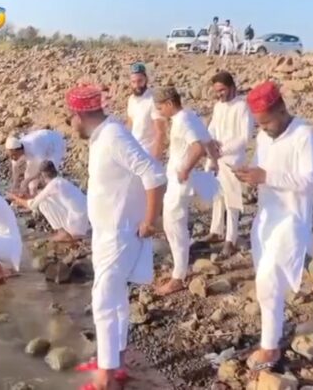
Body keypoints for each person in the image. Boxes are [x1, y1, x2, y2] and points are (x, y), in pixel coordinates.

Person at [65, 84, 166, 390]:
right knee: (117, 298)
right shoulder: (102, 136)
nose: (70, 124)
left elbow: (154, 173)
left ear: (79, 114)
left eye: (70, 117)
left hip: (119, 233)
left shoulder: (113, 136)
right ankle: (114, 362)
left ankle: (106, 377)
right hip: (107, 231)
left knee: (104, 300)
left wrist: (150, 220)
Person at [234, 81, 313, 374]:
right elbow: (260, 169)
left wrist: (266, 176)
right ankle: (269, 336)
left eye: (266, 122)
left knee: (269, 278)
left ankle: (270, 347)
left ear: (281, 110)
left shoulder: (305, 135)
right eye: (259, 124)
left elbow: (310, 181)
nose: (263, 129)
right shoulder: (264, 137)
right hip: (265, 219)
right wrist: (248, 175)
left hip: (291, 221)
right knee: (265, 283)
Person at [153, 86, 220, 296]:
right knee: (175, 225)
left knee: (173, 226)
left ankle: (178, 277)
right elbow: (209, 142)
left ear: (169, 104)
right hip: (180, 181)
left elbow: (197, 147)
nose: (159, 112)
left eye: (160, 107)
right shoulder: (190, 116)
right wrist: (214, 160)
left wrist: (185, 169)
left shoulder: (182, 121)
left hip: (179, 182)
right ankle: (178, 269)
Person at [201, 71, 254, 258]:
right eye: (217, 91)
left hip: (233, 159)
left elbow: (245, 137)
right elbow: (212, 129)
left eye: (222, 90)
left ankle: (231, 239)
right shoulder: (218, 106)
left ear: (232, 87)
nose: (219, 94)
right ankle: (216, 231)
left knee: (232, 200)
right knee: (217, 195)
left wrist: (222, 150)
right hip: (216, 157)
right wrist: (211, 147)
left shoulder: (242, 106)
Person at [7, 160, 89, 242]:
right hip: (83, 222)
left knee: (43, 204)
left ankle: (62, 233)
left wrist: (14, 197)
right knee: (45, 199)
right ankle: (67, 232)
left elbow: (32, 205)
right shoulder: (60, 181)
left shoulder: (53, 185)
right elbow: (39, 198)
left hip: (76, 224)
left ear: (42, 176)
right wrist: (25, 197)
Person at [5, 129, 66, 197]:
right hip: (40, 146)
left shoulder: (34, 148)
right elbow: (15, 168)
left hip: (53, 143)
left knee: (49, 173)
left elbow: (42, 168)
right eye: (10, 156)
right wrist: (15, 184)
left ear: (19, 150)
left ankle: (55, 194)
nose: (12, 158)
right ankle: (32, 194)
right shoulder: (14, 151)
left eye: (14, 155)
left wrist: (27, 180)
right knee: (29, 178)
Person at [126, 62, 166, 161]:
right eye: (133, 82)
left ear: (146, 79)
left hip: (148, 154)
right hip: (134, 152)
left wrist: (155, 159)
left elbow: (160, 132)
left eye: (140, 81)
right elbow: (130, 125)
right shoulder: (131, 99)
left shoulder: (153, 99)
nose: (137, 85)